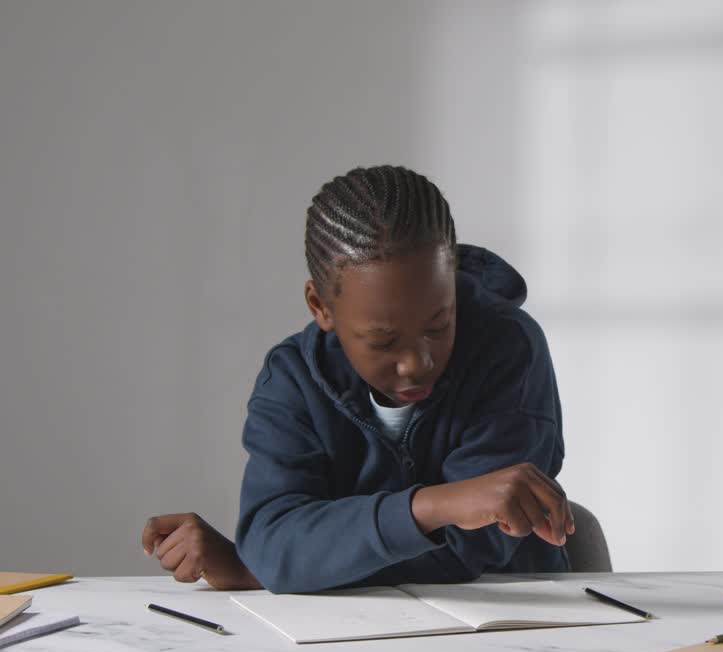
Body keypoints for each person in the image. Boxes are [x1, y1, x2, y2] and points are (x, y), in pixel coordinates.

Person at [141, 166, 574, 593]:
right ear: (320, 306)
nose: (416, 363)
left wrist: (277, 567)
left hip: (516, 619)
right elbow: (274, 544)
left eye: (439, 325)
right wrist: (438, 505)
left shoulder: (509, 346)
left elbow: (471, 549)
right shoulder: (292, 378)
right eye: (383, 341)